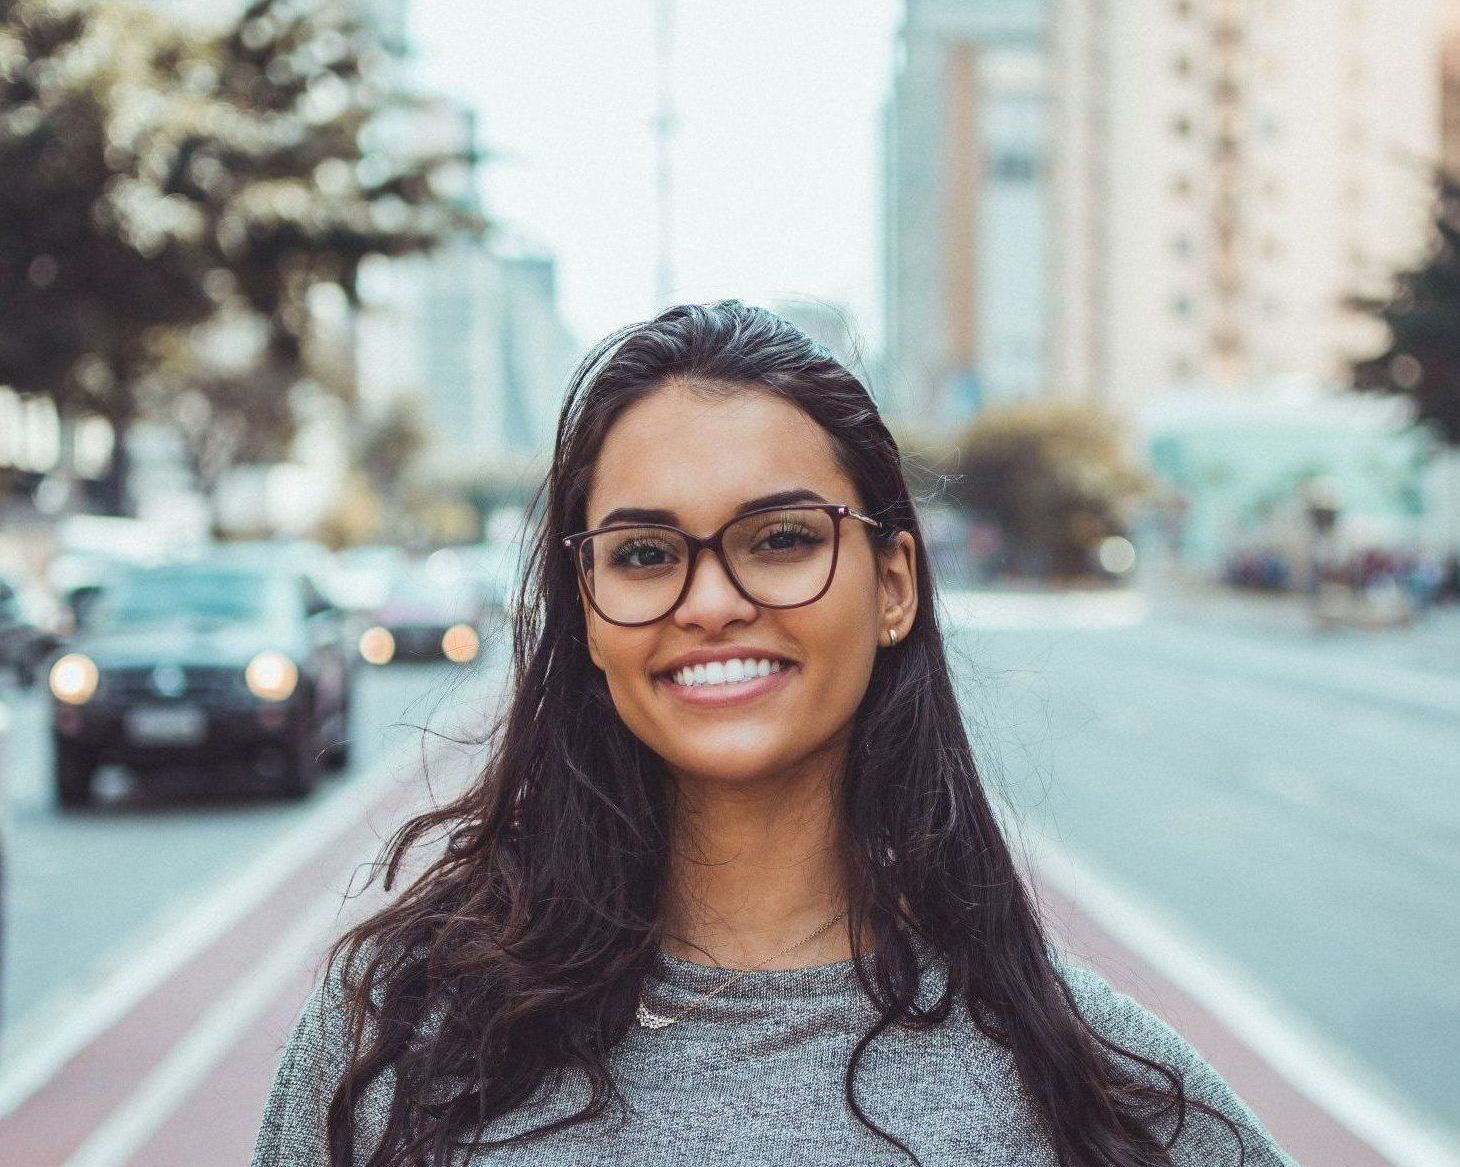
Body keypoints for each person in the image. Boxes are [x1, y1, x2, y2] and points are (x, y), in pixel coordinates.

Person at [252, 301, 1299, 1166]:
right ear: (583, 608)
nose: (708, 601)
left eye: (782, 538)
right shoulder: (395, 1042)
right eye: (645, 553)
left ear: (892, 586)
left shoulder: (1094, 1089)